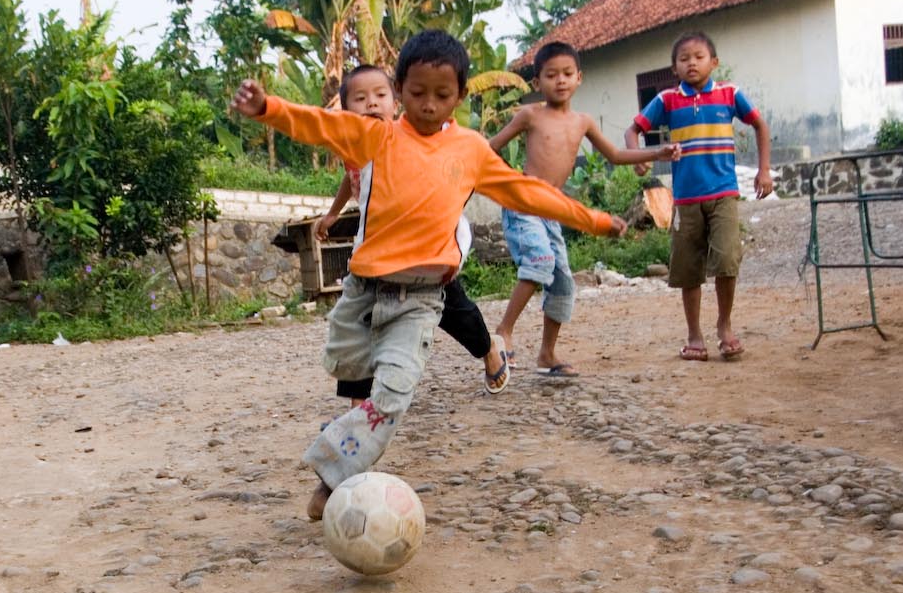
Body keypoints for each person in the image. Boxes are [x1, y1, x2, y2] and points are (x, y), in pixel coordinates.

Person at [231, 30, 626, 520]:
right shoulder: (377, 135)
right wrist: (269, 107)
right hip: (362, 293)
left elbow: (529, 193)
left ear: (460, 96)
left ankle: (333, 477)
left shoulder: (472, 150)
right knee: (348, 375)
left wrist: (596, 219)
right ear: (399, 90)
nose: (429, 105)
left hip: (420, 299)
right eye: (417, 94)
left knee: (393, 394)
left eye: (443, 95)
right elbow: (319, 125)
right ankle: (348, 458)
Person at [317, 64, 510, 398]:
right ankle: (358, 410)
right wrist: (333, 214)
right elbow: (351, 180)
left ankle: (489, 349)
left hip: (426, 255)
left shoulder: (412, 141)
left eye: (380, 96)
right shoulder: (353, 146)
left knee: (455, 312)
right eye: (360, 98)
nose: (372, 104)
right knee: (358, 320)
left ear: (396, 103)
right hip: (374, 254)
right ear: (346, 109)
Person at [488, 41, 679, 377]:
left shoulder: (583, 122)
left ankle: (547, 354)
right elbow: (488, 149)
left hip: (554, 210)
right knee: (540, 261)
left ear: (579, 78)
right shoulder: (529, 115)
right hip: (522, 203)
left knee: (562, 282)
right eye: (551, 75)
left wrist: (657, 153)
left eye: (566, 74)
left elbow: (616, 156)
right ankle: (504, 330)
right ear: (537, 83)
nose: (560, 81)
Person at [624, 29, 772, 361]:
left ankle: (725, 325)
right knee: (689, 269)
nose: (692, 63)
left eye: (699, 57)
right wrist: (640, 159)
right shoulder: (666, 100)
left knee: (727, 261)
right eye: (684, 59)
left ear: (714, 62)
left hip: (724, 194)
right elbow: (633, 130)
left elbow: (761, 126)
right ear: (674, 68)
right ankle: (694, 335)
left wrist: (764, 170)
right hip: (687, 200)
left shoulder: (730, 95)